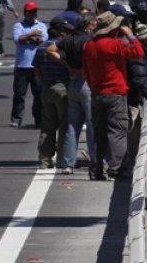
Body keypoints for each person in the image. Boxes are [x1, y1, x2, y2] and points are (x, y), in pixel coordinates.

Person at [82, 11, 144, 181]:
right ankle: (116, 169)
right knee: (117, 131)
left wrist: (94, 85)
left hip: (96, 93)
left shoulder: (88, 46)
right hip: (116, 94)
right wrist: (130, 34)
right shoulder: (115, 44)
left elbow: (86, 71)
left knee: (98, 133)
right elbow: (138, 52)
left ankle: (96, 169)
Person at [49, 12, 97, 175]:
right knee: (92, 123)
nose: (94, 29)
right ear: (87, 25)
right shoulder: (88, 40)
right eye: (93, 26)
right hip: (86, 83)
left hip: (73, 82)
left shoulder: (68, 39)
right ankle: (95, 159)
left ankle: (68, 163)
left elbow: (51, 49)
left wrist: (68, 66)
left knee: (72, 125)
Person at [33, 17, 74, 169]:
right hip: (63, 88)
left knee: (47, 126)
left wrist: (44, 82)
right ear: (61, 32)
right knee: (64, 125)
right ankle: (62, 159)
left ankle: (44, 159)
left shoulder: (41, 47)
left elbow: (36, 70)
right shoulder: (62, 48)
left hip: (47, 88)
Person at [120, 21, 147, 176]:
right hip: (131, 98)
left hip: (136, 96)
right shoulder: (137, 54)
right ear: (145, 39)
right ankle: (126, 164)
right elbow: (138, 76)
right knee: (131, 130)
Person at [11, 1, 48, 128]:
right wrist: (31, 35)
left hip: (37, 67)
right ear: (25, 13)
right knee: (19, 94)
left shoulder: (41, 25)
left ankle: (39, 119)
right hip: (22, 66)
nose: (33, 14)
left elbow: (43, 40)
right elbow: (18, 39)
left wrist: (28, 39)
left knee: (38, 95)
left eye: (35, 11)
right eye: (31, 12)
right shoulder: (18, 26)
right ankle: (16, 118)